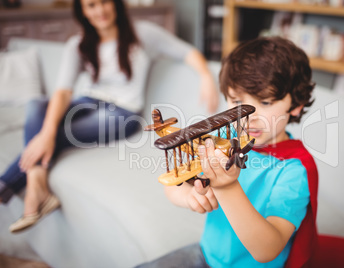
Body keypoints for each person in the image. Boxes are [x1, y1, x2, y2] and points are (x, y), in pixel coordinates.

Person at [0, 0, 219, 233]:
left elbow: (187, 52)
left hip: (122, 113)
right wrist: (46, 132)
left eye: (104, 2)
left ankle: (8, 185)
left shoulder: (142, 33)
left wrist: (206, 76)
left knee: (60, 133)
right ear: (83, 11)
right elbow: (63, 91)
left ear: (115, 4)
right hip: (86, 102)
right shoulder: (78, 44)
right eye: (91, 5)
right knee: (37, 104)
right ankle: (37, 179)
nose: (100, 10)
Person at [136, 37, 318, 268]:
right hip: (207, 255)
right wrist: (188, 197)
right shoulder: (224, 137)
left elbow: (267, 249)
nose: (249, 116)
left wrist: (227, 187)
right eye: (237, 101)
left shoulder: (295, 168)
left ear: (296, 106)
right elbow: (173, 181)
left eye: (266, 102)